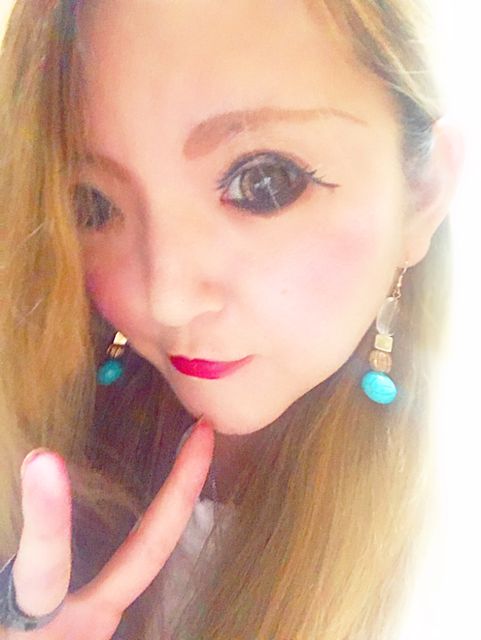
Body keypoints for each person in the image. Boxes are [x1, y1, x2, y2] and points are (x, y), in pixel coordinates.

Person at [0, 0, 463, 638]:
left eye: (263, 183)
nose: (167, 299)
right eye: (93, 204)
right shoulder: (32, 433)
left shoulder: (446, 569)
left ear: (423, 193)